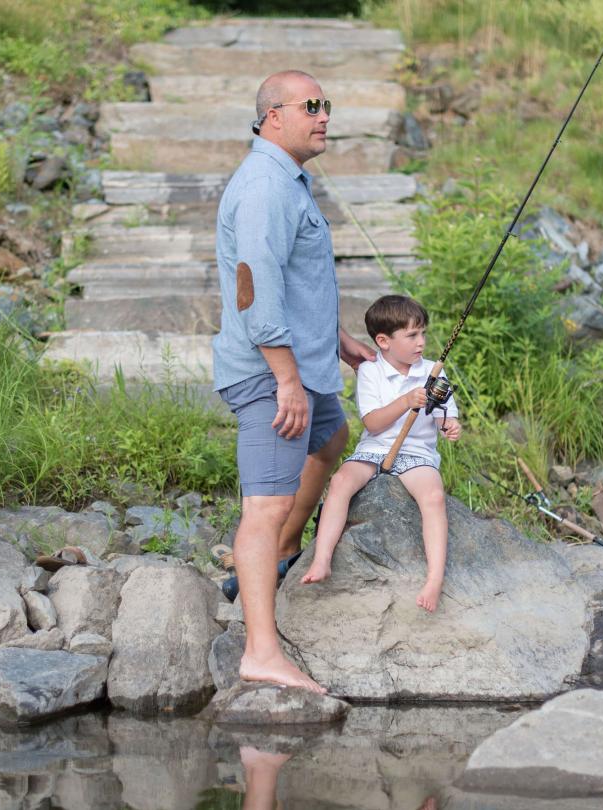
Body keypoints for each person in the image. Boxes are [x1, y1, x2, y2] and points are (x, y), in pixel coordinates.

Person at [213, 70, 374, 693]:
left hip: (303, 367)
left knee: (330, 442)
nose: (324, 115)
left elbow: (293, 281)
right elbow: (255, 292)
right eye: (312, 106)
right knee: (265, 504)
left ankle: (282, 552)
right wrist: (286, 380)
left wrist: (338, 343)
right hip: (267, 374)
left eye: (326, 104)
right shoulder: (263, 187)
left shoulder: (289, 182)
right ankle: (260, 650)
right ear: (273, 116)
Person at [301, 295, 461, 612]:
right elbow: (373, 423)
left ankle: (434, 578)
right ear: (383, 341)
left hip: (417, 455)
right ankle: (322, 559)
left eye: (423, 334)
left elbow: (446, 414)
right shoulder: (370, 371)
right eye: (412, 335)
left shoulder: (433, 372)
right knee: (341, 482)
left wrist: (449, 426)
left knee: (433, 496)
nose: (421, 342)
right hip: (373, 451)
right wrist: (405, 402)